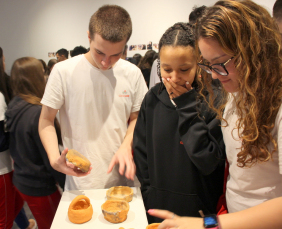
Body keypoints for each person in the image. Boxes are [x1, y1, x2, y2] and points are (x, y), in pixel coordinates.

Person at [149, 0, 282, 228]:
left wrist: (208, 224)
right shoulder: (237, 93)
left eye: (220, 63)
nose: (214, 76)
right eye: (208, 65)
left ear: (254, 50)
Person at [38, 4, 148, 191]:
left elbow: (137, 119)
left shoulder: (133, 73)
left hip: (123, 179)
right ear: (89, 36)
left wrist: (125, 146)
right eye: (99, 52)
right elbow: (46, 120)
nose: (106, 62)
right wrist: (53, 158)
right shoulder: (63, 72)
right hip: (81, 182)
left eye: (116, 54)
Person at [133, 22, 225, 224]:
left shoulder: (214, 100)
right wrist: (149, 193)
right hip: (157, 205)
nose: (174, 78)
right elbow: (141, 152)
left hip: (200, 212)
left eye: (184, 69)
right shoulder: (153, 99)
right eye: (167, 69)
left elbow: (209, 161)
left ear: (198, 63)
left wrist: (186, 106)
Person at [6, 57, 65, 229]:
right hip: (39, 185)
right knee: (54, 224)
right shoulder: (37, 114)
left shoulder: (14, 105)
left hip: (23, 178)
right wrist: (68, 187)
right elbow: (49, 158)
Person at [0, 48, 36, 229]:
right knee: (4, 218)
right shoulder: (2, 98)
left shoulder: (13, 102)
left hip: (12, 168)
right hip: (3, 168)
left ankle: (24, 224)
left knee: (13, 206)